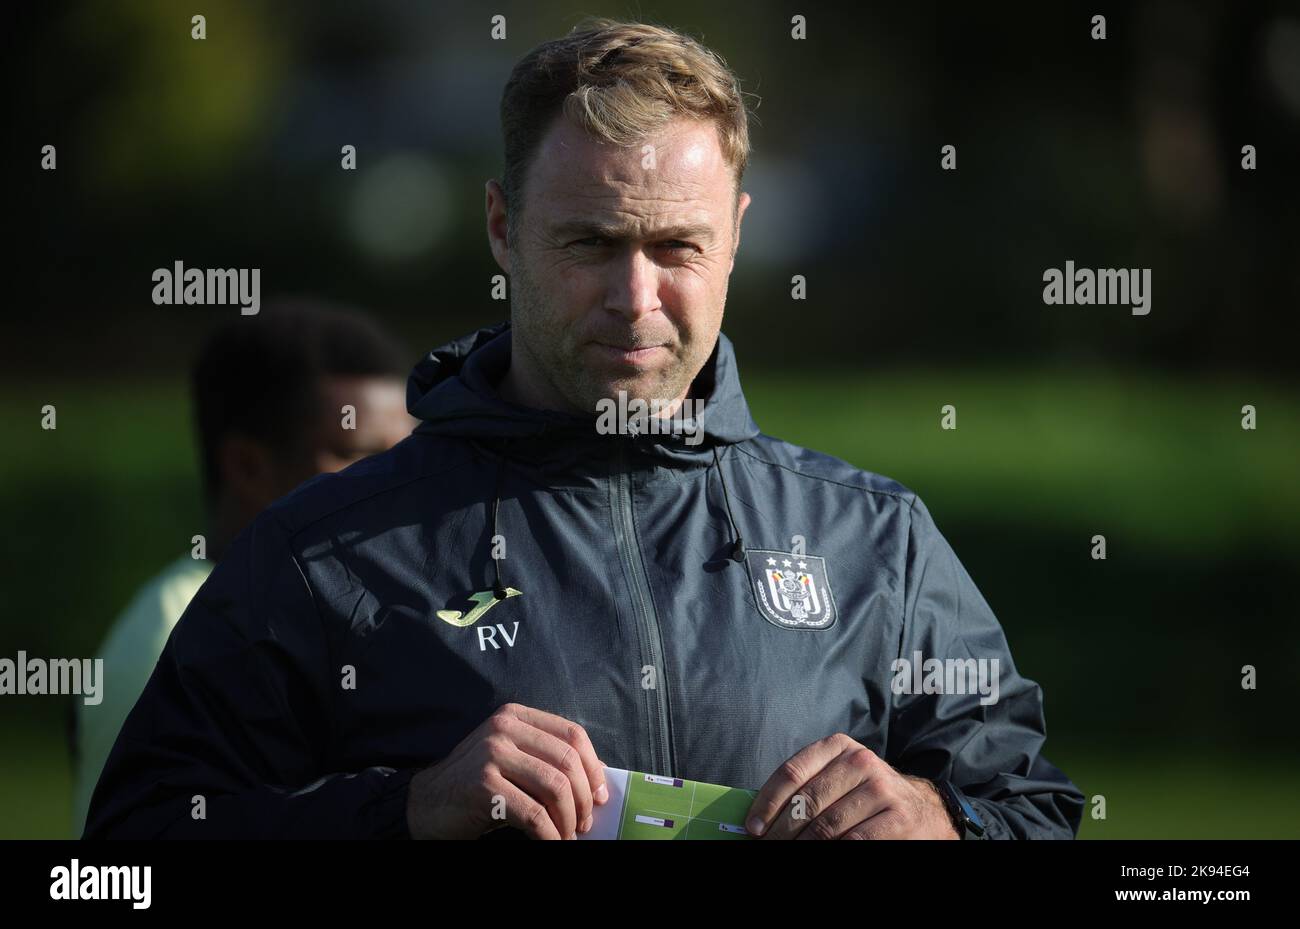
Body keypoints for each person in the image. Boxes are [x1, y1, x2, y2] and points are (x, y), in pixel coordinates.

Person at [85, 18, 1083, 840]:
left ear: (735, 232)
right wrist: (405, 809)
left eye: (675, 245)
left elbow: (1034, 809)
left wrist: (937, 817)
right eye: (590, 243)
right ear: (500, 229)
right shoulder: (322, 554)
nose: (634, 297)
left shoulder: (877, 543)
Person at [72, 300, 415, 836]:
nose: (394, 485)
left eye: (404, 459)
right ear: (247, 465)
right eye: (360, 456)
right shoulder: (172, 637)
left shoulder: (354, 605)